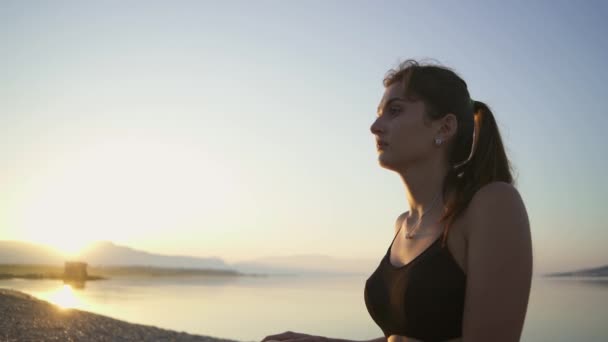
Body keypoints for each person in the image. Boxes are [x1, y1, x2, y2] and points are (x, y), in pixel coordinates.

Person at [261, 59, 533, 342]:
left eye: (395, 111)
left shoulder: (493, 203)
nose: (375, 127)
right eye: (379, 113)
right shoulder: (403, 224)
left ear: (444, 128)